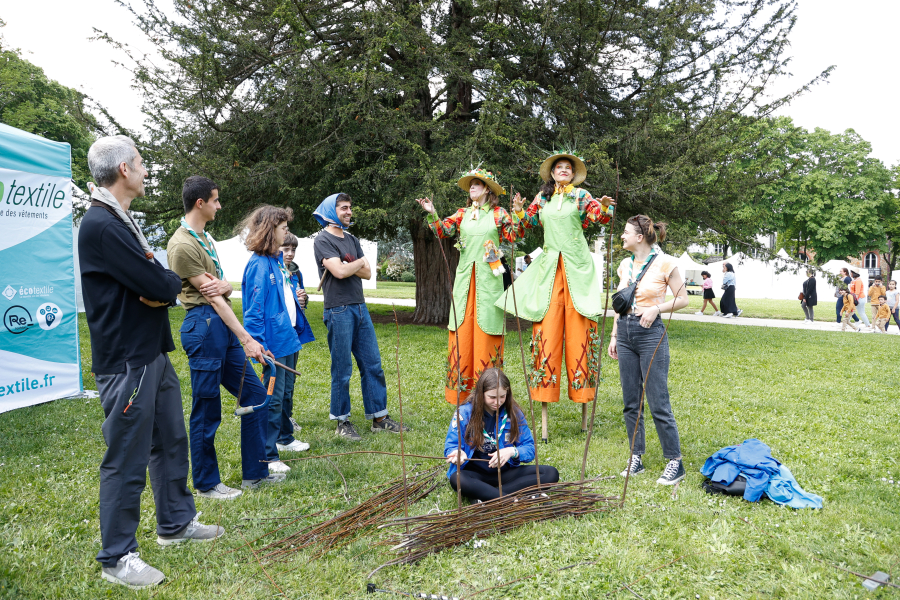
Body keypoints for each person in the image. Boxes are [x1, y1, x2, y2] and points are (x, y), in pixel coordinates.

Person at [80, 136, 221, 589]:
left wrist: (158, 283)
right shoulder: (102, 225)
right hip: (127, 361)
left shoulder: (121, 221)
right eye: (141, 163)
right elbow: (166, 286)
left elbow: (162, 280)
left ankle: (175, 523)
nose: (146, 170)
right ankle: (117, 557)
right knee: (126, 456)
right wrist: (159, 284)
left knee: (170, 439)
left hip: (152, 353)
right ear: (123, 168)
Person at [167, 176, 283, 500]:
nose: (220, 205)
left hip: (220, 323)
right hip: (204, 327)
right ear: (200, 203)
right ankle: (205, 483)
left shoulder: (204, 238)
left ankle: (255, 475)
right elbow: (214, 297)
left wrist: (228, 286)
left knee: (255, 395)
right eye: (216, 200)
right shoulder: (182, 245)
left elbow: (222, 286)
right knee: (206, 409)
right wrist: (247, 338)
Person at [496, 152, 614, 440]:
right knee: (545, 337)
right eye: (559, 167)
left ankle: (584, 407)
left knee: (581, 336)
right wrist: (520, 210)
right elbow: (523, 227)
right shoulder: (543, 198)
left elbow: (598, 219)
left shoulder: (582, 196)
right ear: (552, 173)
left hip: (577, 270)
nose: (563, 171)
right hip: (549, 272)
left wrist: (606, 207)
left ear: (573, 174)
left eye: (567, 168)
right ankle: (544, 413)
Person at [416, 169, 521, 404]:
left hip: (490, 281)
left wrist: (517, 213)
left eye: (476, 184)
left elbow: (514, 236)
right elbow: (442, 231)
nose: (471, 188)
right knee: (462, 335)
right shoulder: (462, 213)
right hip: (465, 283)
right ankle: (462, 395)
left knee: (487, 335)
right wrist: (433, 214)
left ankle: (489, 395)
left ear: (487, 190)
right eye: (470, 185)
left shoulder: (498, 213)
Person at [312, 193, 407, 440]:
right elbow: (340, 272)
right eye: (344, 208)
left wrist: (349, 264)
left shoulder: (351, 239)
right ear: (331, 211)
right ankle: (342, 421)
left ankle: (379, 418)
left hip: (360, 308)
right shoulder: (322, 240)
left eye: (350, 208)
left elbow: (367, 273)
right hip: (338, 309)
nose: (349, 212)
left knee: (372, 363)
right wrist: (353, 264)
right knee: (342, 369)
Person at [608, 215, 688, 485]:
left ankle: (675, 462)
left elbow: (683, 299)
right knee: (631, 402)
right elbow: (620, 304)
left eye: (626, 232)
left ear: (639, 237)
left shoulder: (666, 262)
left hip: (650, 334)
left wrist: (656, 308)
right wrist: (614, 336)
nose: (622, 236)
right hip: (626, 333)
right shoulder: (624, 265)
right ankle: (636, 458)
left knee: (658, 401)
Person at [240, 205, 310, 474]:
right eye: (283, 229)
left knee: (281, 397)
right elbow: (254, 310)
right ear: (271, 231)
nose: (286, 233)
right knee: (272, 399)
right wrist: (258, 344)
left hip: (287, 339)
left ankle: (281, 440)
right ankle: (268, 455)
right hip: (272, 345)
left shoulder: (275, 261)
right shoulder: (258, 265)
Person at [444, 368, 559, 502]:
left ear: (507, 393)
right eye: (492, 397)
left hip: (504, 472)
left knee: (550, 473)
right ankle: (509, 498)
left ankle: (486, 496)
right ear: (481, 394)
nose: (497, 402)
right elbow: (451, 445)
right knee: (457, 479)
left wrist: (512, 451)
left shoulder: (514, 413)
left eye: (502, 397)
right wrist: (457, 453)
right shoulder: (464, 413)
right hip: (474, 474)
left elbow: (530, 448)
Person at [278, 232, 316, 442]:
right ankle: (276, 422)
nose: (290, 254)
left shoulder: (295, 272)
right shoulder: (272, 270)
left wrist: (303, 300)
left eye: (293, 249)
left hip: (294, 332)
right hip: (279, 333)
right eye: (286, 249)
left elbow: (300, 301)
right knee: (278, 382)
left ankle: (287, 417)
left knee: (290, 380)